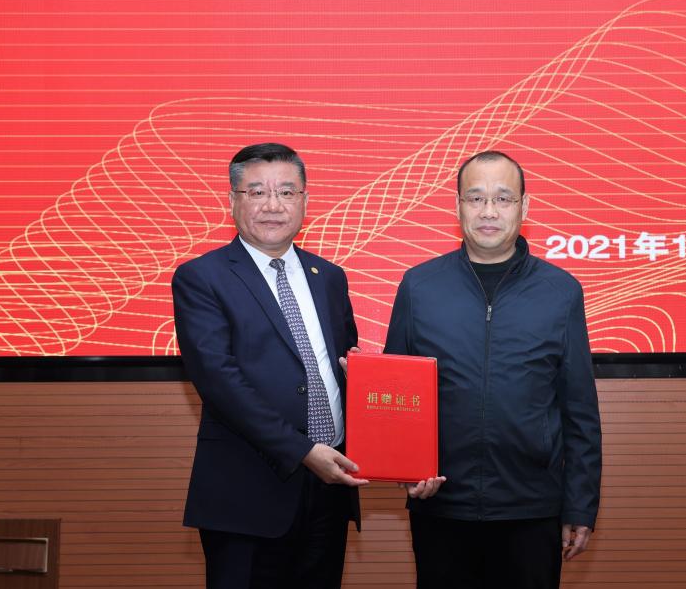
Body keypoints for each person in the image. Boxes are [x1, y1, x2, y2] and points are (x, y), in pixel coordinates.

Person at [384, 150, 602, 589]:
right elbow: (396, 398)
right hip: (442, 506)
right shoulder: (419, 286)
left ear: (524, 206)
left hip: (532, 509)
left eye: (503, 198)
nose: (488, 211)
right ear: (458, 206)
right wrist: (406, 472)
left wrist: (579, 505)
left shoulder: (560, 291)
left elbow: (579, 410)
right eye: (476, 198)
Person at [172, 142, 368, 589]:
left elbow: (345, 368)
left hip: (329, 487)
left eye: (287, 192)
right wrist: (302, 451)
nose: (273, 205)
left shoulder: (329, 277)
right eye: (257, 192)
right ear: (233, 200)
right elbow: (220, 382)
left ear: (305, 200)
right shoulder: (202, 277)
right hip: (247, 493)